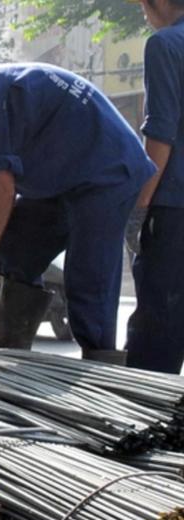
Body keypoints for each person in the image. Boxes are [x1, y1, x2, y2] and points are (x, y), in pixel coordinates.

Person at [0, 11, 156, 361]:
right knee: (15, 240)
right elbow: (10, 173)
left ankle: (102, 364)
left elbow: (3, 190)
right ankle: (10, 332)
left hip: (106, 177)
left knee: (87, 276)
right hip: (72, 179)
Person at [125, 0, 184, 374]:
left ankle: (149, 426)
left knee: (157, 329)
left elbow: (161, 133)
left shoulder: (164, 45)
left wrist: (139, 206)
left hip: (175, 211)